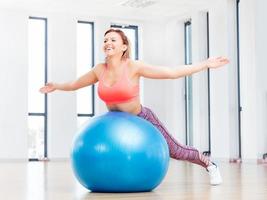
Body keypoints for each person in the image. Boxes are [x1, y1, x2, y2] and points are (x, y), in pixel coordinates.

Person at [40, 28, 229, 185]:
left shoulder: (133, 66)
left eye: (113, 39)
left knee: (177, 151)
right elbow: (75, 84)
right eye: (105, 40)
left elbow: (171, 72)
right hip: (116, 126)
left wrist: (205, 64)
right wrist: (56, 86)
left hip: (142, 119)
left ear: (124, 46)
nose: (108, 43)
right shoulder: (100, 69)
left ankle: (210, 165)